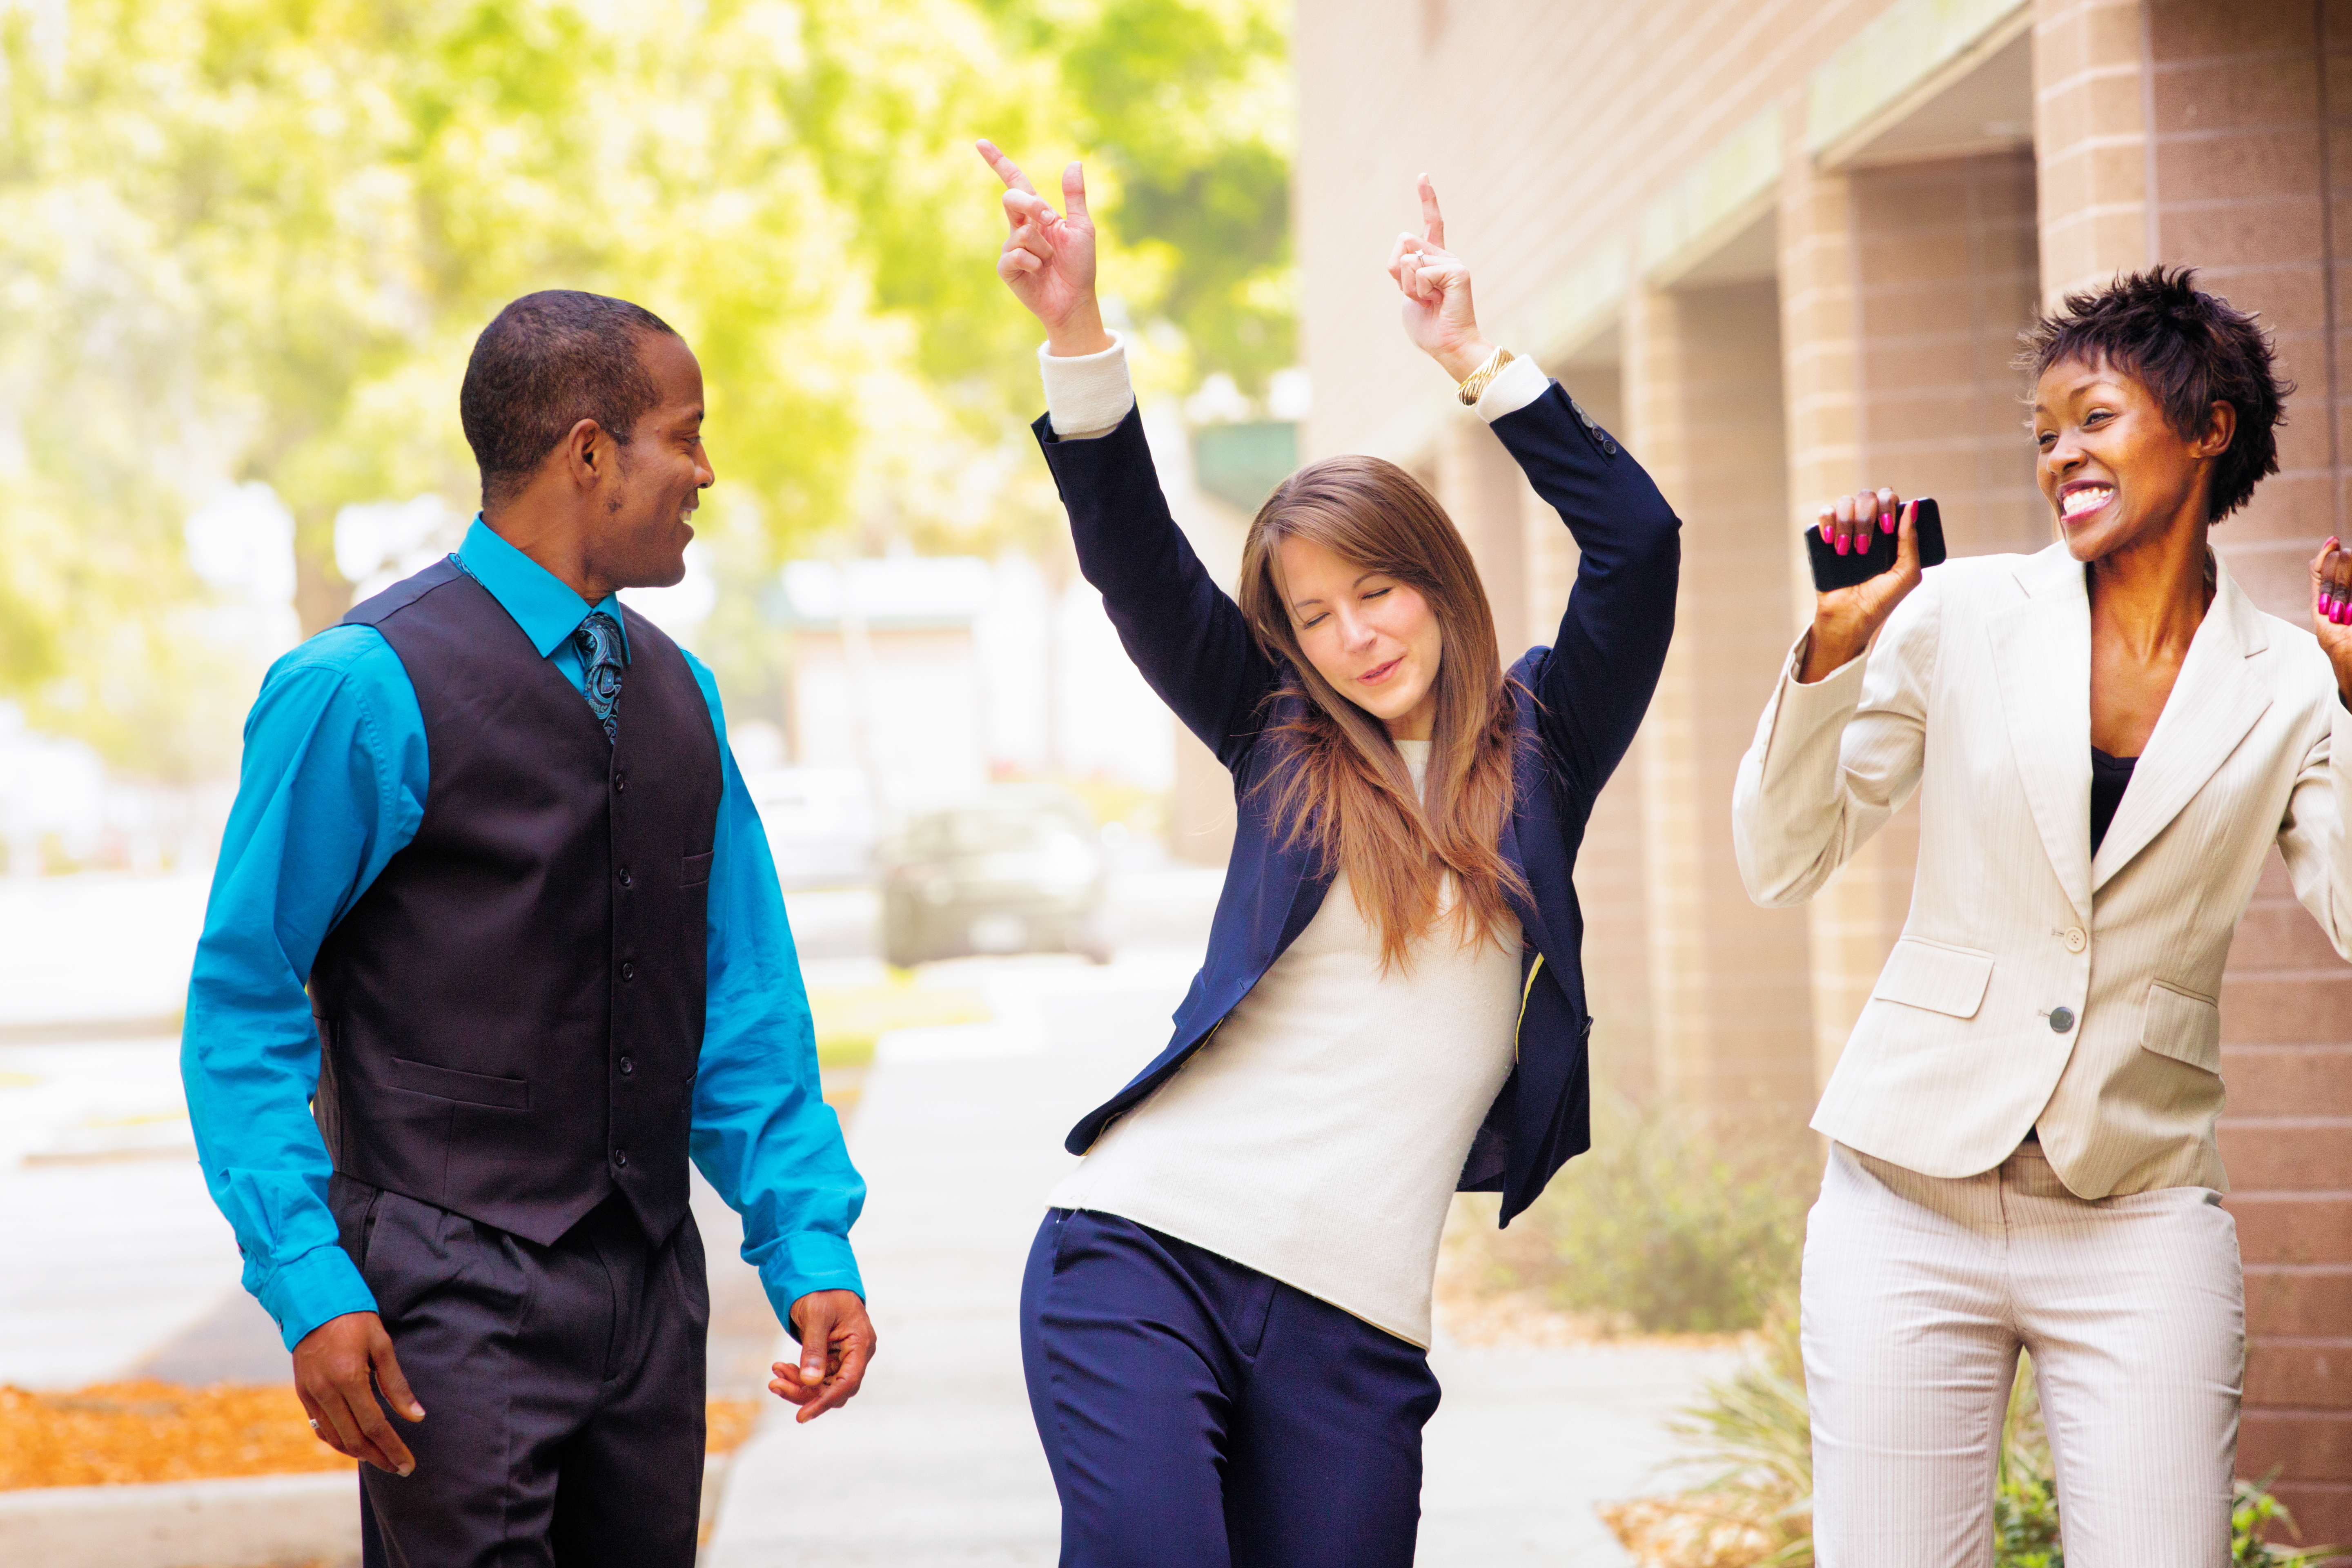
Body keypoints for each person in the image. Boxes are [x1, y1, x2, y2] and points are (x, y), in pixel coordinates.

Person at [976, 140, 1679, 1567]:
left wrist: (1475, 358)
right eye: (1315, 618)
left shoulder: (1545, 742)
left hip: (1355, 1328)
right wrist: (1078, 337)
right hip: (1145, 1249)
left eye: (1381, 591)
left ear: (1438, 580)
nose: (1358, 637)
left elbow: (1641, 546)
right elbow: (1133, 556)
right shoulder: (1276, 742)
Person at [181, 290, 875, 1568]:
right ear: (592, 451)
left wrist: (806, 1244)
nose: (707, 473)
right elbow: (246, 1003)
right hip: (444, 1297)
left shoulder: (681, 695)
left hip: (648, 1295)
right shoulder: (356, 687)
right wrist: (309, 1281)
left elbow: (741, 999)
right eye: (688, 435)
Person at [1732, 267, 2352, 1564]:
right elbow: (1783, 860)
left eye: (2094, 417)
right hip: (1906, 1197)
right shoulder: (1956, 615)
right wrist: (1836, 650)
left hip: (2136, 1208)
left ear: (2209, 429)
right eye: (2043, 433)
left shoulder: (2292, 677)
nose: (2060, 452)